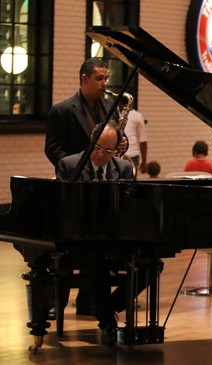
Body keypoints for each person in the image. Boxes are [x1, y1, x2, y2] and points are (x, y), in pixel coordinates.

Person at [44, 57, 123, 317]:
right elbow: (52, 148)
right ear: (84, 79)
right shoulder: (63, 110)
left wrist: (120, 148)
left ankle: (91, 302)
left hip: (103, 188)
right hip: (74, 187)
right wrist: (76, 167)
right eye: (99, 78)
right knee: (70, 243)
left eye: (106, 78)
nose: (104, 83)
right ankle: (57, 302)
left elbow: (120, 145)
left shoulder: (112, 107)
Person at [56, 121, 135, 344]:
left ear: (117, 150)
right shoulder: (69, 165)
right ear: (91, 142)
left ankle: (107, 309)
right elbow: (63, 209)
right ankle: (107, 321)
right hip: (77, 240)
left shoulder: (124, 169)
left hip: (114, 238)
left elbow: (128, 209)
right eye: (97, 147)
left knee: (153, 263)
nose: (101, 154)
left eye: (108, 150)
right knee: (96, 257)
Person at [123, 104, 148, 175]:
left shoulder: (115, 113)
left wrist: (144, 162)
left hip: (131, 155)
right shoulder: (137, 115)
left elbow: (143, 141)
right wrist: (144, 162)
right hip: (132, 155)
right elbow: (143, 141)